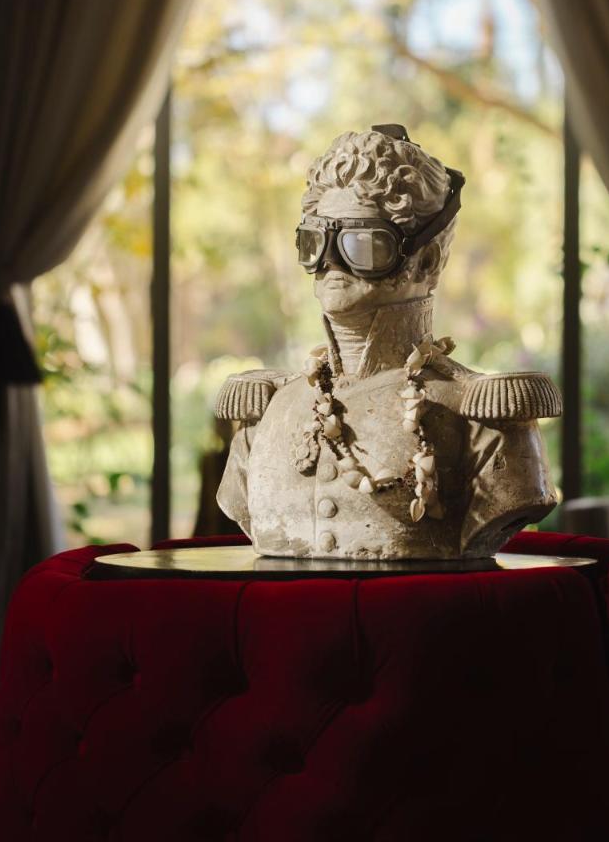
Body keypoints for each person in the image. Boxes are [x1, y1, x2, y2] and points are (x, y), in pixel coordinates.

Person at [215, 125, 559, 559]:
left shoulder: (481, 423)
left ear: (426, 260)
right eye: (315, 240)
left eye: (361, 242)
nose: (330, 261)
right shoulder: (269, 413)